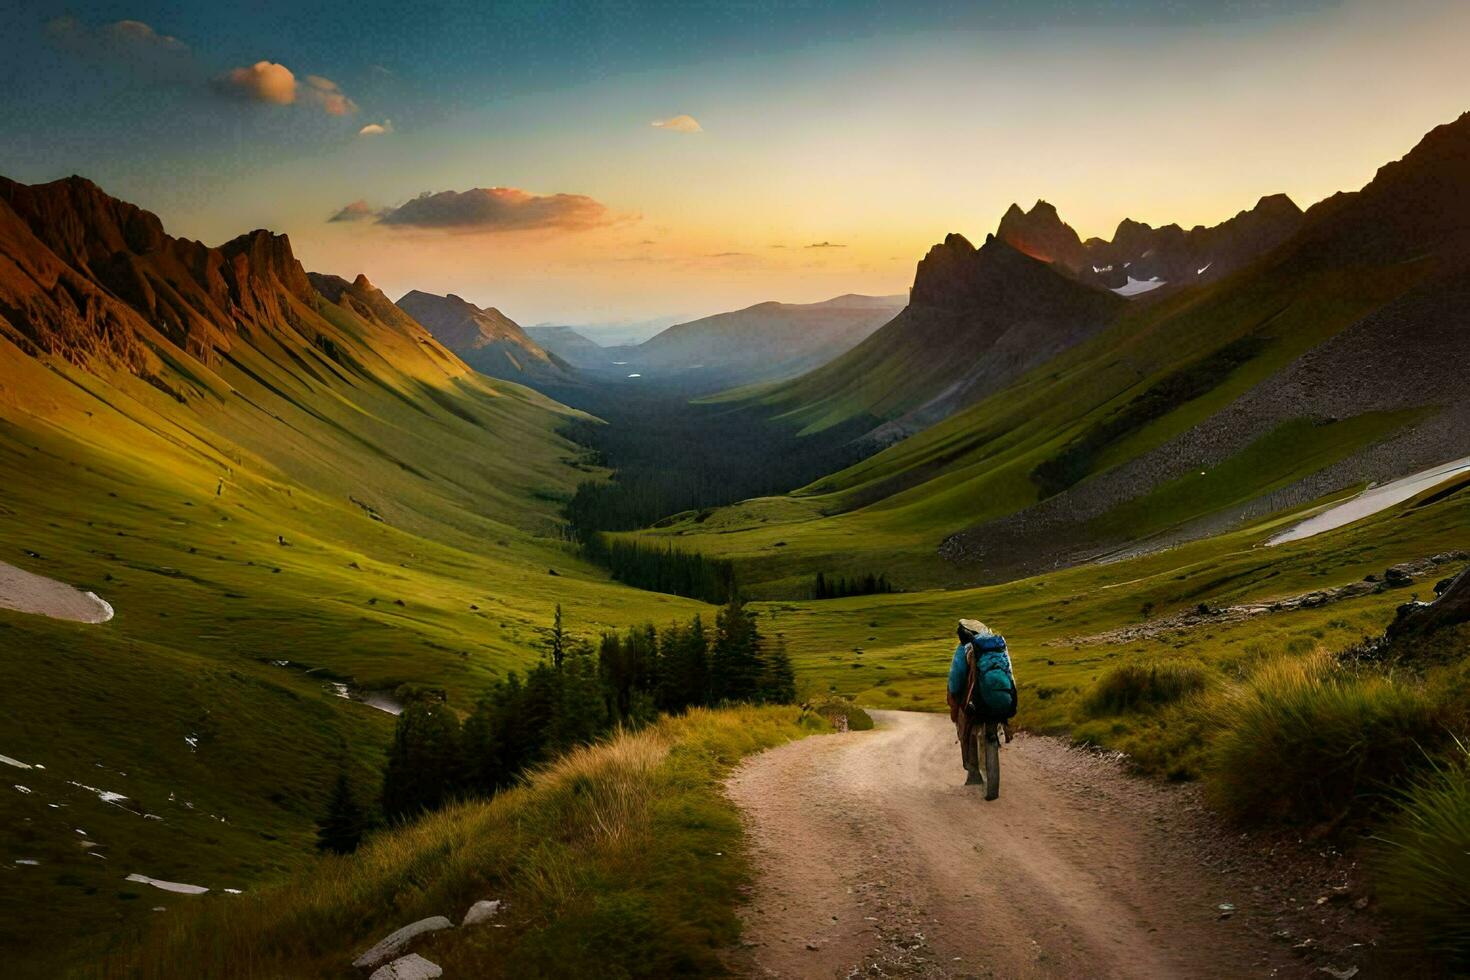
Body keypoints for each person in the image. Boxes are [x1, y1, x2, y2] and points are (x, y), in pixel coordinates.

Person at [946, 618, 1014, 785]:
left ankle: (973, 773)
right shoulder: (999, 646)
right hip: (1002, 696)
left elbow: (955, 681)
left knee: (965, 730)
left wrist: (954, 699)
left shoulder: (965, 648)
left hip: (974, 703)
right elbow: (1010, 673)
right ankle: (1000, 732)